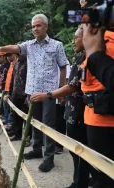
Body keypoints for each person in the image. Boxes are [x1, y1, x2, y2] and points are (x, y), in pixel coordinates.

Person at [0, 14, 68, 172]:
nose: (35, 29)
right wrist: (2, 49)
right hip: (32, 92)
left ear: (46, 26)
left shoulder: (57, 46)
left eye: (38, 26)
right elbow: (15, 48)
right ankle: (37, 150)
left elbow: (63, 67)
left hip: (49, 93)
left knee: (48, 125)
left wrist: (61, 91)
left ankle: (49, 158)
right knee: (35, 122)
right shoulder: (29, 45)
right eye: (33, 26)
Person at [30, 27, 89, 188]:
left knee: (80, 149)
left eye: (76, 38)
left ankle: (80, 181)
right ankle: (81, 180)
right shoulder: (82, 57)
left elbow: (71, 86)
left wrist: (48, 95)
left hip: (80, 112)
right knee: (79, 149)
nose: (73, 41)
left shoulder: (84, 57)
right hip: (75, 110)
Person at [78, 23, 114, 187]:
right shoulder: (94, 46)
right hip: (92, 118)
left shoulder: (108, 45)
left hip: (105, 122)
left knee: (103, 176)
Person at [0, 52, 12, 126]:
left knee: (8, 105)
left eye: (0, 57)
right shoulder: (1, 66)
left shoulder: (9, 65)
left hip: (8, 88)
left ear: (3, 57)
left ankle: (9, 121)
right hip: (3, 87)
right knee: (4, 105)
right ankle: (6, 119)